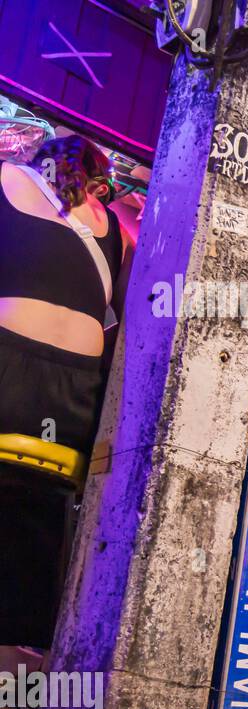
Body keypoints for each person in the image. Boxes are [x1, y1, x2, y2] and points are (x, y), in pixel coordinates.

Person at [0, 135, 134, 665]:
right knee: (38, 506)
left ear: (38, 160)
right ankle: (17, 650)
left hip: (7, 373)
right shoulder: (117, 232)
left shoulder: (8, 178)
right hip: (75, 400)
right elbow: (131, 324)